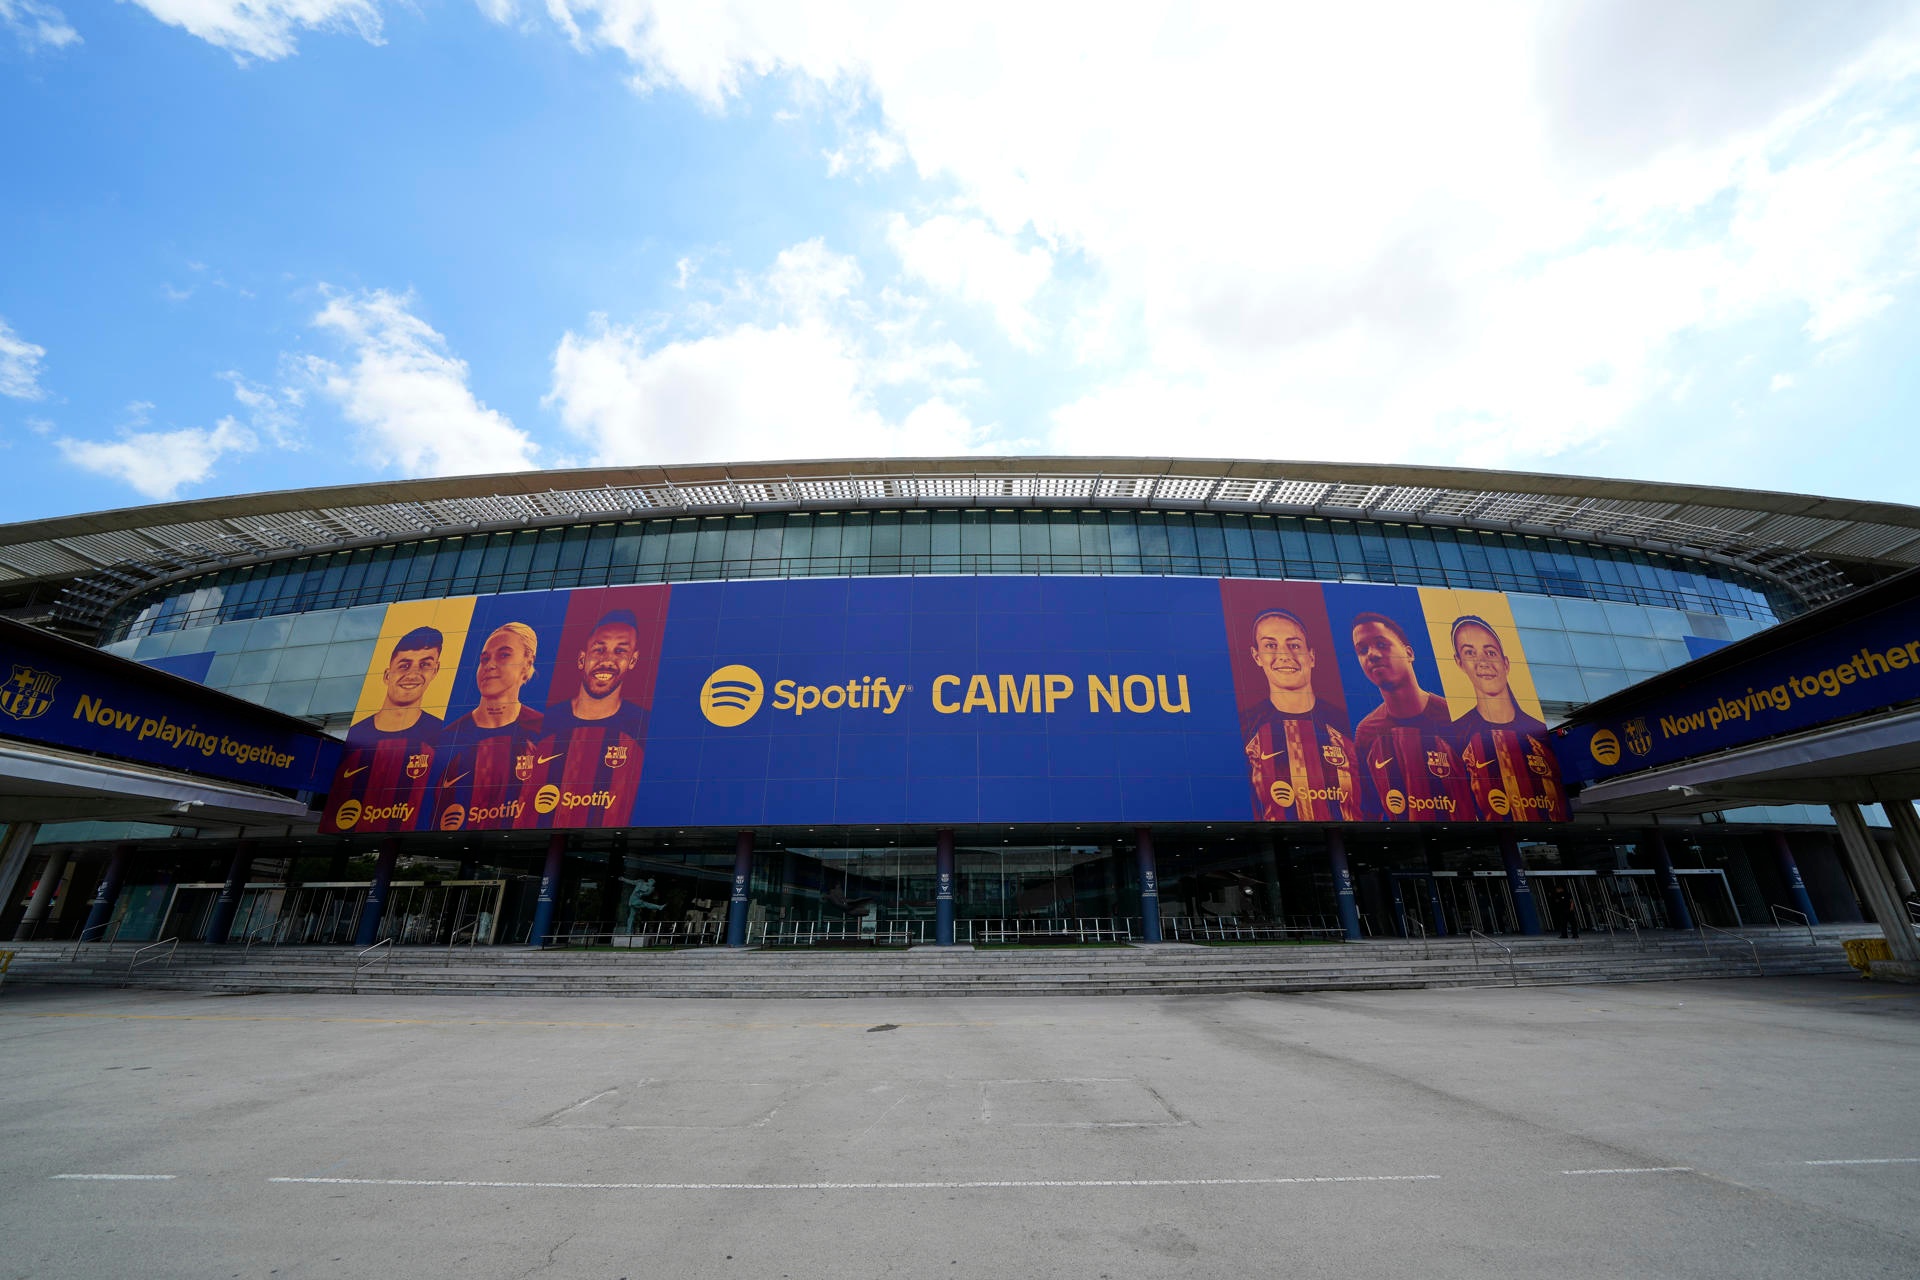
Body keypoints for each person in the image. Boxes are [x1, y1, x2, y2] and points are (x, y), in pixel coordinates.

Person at [518, 610, 650, 829]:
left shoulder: (642, 727)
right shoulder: (542, 723)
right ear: (582, 658)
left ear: (633, 660)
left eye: (620, 651)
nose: (607, 660)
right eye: (599, 649)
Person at [1238, 608, 1361, 821]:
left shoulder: (1348, 725)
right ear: (1256, 656)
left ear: (1311, 656)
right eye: (1270, 646)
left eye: (1294, 645)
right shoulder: (1245, 728)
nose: (1285, 656)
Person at [1349, 611, 1472, 822]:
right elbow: (1370, 806)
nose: (1372, 654)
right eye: (1362, 650)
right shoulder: (1367, 731)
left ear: (1409, 653)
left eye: (1381, 644)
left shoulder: (1454, 716)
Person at [1445, 615, 1570, 822]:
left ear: (1506, 663)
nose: (1482, 662)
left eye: (1490, 652)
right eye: (1470, 653)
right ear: (1459, 663)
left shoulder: (1539, 733)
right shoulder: (1454, 737)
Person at [322, 626, 445, 833]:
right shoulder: (356, 738)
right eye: (404, 665)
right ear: (388, 674)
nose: (413, 674)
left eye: (425, 665)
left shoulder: (442, 736)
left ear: (436, 671)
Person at [432, 622, 546, 832]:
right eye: (484, 659)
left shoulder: (544, 732)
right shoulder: (450, 737)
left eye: (503, 655)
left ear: (527, 663)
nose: (490, 665)